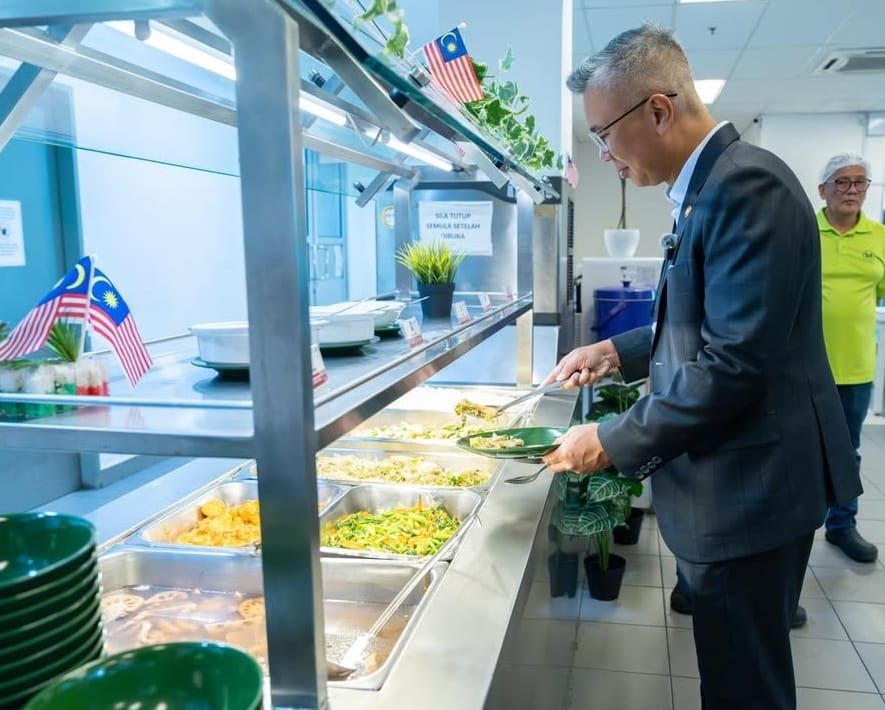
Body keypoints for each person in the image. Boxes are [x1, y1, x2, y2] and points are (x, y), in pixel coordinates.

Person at [545, 24, 861, 710]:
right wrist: (614, 351)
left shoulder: (746, 186)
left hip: (752, 491)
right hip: (735, 484)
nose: (603, 154)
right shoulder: (708, 187)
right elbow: (698, 320)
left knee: (744, 688)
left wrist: (611, 438)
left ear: (657, 110)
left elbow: (734, 363)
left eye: (603, 134)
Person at [817, 154, 884, 562]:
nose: (852, 190)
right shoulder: (805, 231)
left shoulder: (879, 236)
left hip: (856, 368)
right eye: (842, 182)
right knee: (801, 450)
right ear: (822, 190)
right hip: (806, 367)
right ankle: (794, 527)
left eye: (860, 182)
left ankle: (842, 525)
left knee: (847, 452)